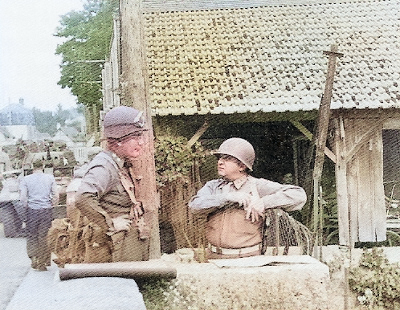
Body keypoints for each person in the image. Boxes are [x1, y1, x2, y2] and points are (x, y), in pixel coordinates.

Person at [189, 137, 307, 259]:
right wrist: (228, 197)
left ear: (241, 166)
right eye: (220, 158)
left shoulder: (257, 186)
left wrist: (263, 202)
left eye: (227, 159)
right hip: (214, 257)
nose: (220, 162)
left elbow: (299, 195)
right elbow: (194, 206)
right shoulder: (213, 186)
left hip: (248, 259)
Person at [75, 106, 151, 262]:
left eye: (141, 136)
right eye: (136, 137)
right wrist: (110, 224)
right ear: (118, 141)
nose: (141, 142)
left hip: (124, 248)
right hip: (112, 251)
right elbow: (83, 197)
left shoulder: (120, 164)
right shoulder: (104, 166)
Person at [20, 161, 59, 271]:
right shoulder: (50, 178)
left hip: (32, 211)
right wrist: (52, 204)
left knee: (32, 235)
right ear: (43, 167)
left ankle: (33, 257)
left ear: (32, 167)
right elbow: (56, 195)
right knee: (44, 236)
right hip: (46, 210)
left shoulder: (26, 179)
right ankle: (42, 262)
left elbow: (23, 197)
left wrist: (28, 205)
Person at [0, 170, 25, 238]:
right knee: (17, 215)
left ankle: (10, 232)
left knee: (8, 216)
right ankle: (16, 230)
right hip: (15, 198)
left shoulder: (5, 181)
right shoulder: (18, 180)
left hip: (4, 199)